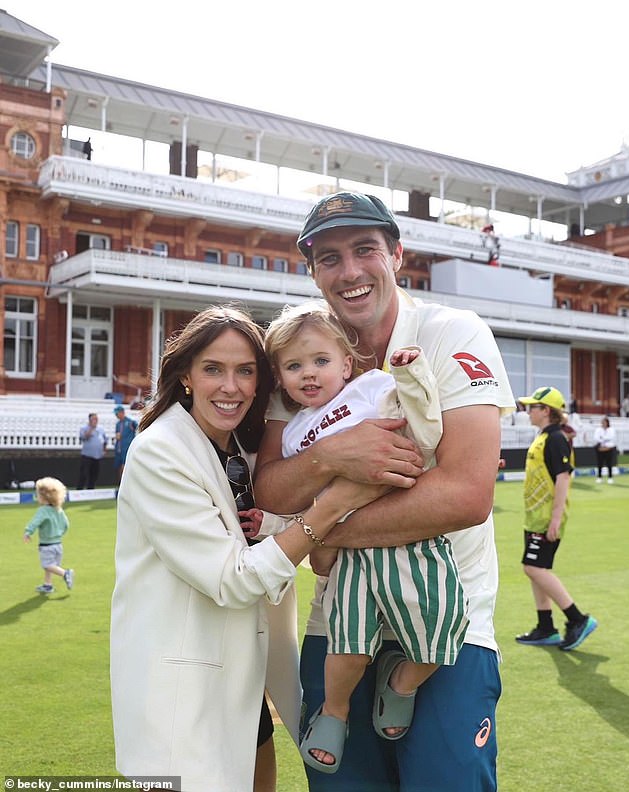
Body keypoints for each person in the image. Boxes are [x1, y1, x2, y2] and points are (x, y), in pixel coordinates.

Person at [254, 191, 516, 792]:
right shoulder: (299, 351)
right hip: (339, 621)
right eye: (328, 258)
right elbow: (270, 487)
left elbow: (466, 495)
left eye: (364, 249)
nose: (348, 272)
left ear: (396, 254)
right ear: (313, 272)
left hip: (448, 618)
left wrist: (315, 531)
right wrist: (333, 455)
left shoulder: (452, 332)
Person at [110, 305, 386, 792]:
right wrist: (329, 509)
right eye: (213, 369)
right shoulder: (160, 450)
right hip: (184, 690)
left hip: (244, 683)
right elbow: (233, 579)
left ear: (263, 382)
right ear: (187, 377)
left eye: (245, 371)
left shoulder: (243, 450)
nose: (230, 386)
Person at [243, 302, 467, 773]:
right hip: (346, 559)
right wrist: (268, 524)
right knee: (348, 641)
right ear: (280, 379)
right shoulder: (293, 436)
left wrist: (410, 377)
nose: (309, 374)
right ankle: (335, 711)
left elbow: (421, 420)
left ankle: (402, 683)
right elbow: (297, 507)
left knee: (443, 624)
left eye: (321, 361)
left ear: (347, 363)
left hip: (407, 539)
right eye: (294, 366)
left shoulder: (370, 388)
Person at [515, 386, 598, 651]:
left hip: (546, 519)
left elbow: (563, 478)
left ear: (546, 411)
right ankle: (545, 627)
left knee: (533, 568)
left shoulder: (556, 439)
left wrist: (555, 519)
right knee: (536, 571)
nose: (528, 412)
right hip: (535, 518)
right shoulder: (543, 437)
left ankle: (578, 619)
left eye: (533, 407)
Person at [23, 476, 74, 594]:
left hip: (47, 545)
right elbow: (66, 524)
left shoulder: (43, 511)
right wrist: (59, 533)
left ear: (42, 497)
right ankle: (48, 585)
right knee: (51, 565)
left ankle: (65, 573)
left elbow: (34, 522)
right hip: (58, 544)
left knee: (47, 565)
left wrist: (28, 532)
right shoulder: (58, 509)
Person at [77, 412, 108, 489]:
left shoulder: (101, 429)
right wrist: (91, 428)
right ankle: (80, 488)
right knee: (84, 473)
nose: (95, 420)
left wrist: (104, 449)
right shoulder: (84, 428)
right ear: (90, 420)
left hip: (97, 455)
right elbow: (83, 437)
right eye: (93, 419)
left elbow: (104, 440)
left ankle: (91, 488)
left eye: (96, 419)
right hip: (87, 455)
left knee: (94, 474)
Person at [113, 405, 138, 485]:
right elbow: (118, 435)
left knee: (124, 467)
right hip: (119, 449)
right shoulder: (117, 424)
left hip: (126, 448)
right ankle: (120, 485)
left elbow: (138, 427)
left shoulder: (130, 422)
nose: (116, 415)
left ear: (122, 412)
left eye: (117, 413)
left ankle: (126, 485)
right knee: (119, 468)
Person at [593, 416, 617, 483]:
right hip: (600, 448)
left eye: (604, 422)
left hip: (609, 448)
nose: (603, 423)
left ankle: (610, 477)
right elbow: (596, 438)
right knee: (599, 463)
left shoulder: (611, 429)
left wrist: (603, 438)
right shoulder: (598, 429)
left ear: (607, 423)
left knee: (609, 463)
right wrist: (603, 439)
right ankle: (599, 477)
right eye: (602, 422)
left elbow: (611, 438)